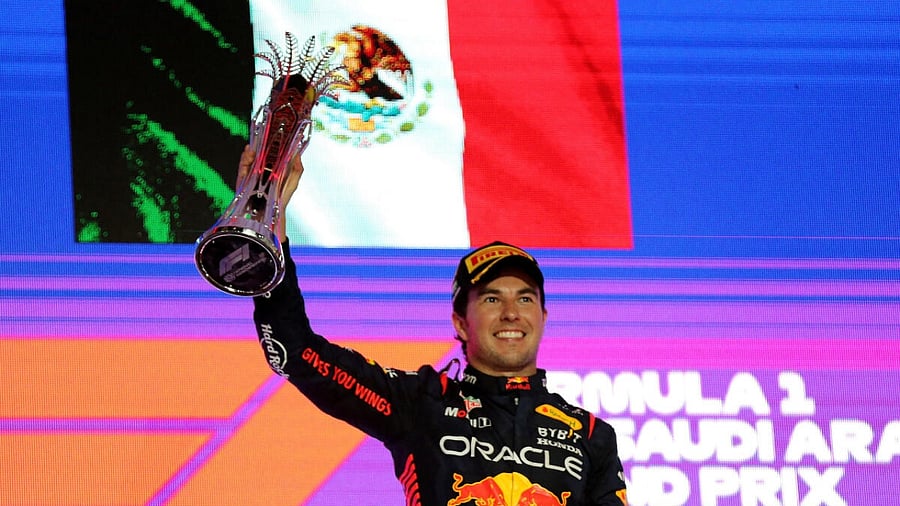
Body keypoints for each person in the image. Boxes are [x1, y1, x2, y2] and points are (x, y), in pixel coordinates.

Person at [244, 147, 629, 505]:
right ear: (460, 323)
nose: (511, 313)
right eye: (492, 299)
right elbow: (296, 352)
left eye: (525, 298)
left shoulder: (591, 434)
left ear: (543, 318)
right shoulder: (420, 403)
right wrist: (269, 217)